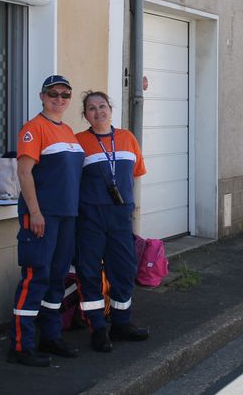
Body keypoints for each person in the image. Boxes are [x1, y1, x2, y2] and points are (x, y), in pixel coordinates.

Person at [8, 75, 85, 367]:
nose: (59, 99)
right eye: (53, 93)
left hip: (67, 217)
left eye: (65, 94)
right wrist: (36, 213)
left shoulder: (67, 131)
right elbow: (25, 173)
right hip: (42, 217)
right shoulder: (33, 129)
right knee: (35, 278)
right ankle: (20, 346)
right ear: (42, 96)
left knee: (56, 278)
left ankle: (51, 337)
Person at [76, 91, 149, 352]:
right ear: (85, 115)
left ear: (111, 109)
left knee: (124, 270)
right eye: (92, 108)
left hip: (120, 218)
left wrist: (135, 214)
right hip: (90, 218)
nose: (98, 112)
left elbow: (136, 175)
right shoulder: (79, 142)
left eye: (102, 106)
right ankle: (97, 328)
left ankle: (120, 323)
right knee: (89, 273)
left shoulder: (128, 139)